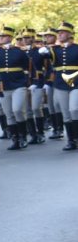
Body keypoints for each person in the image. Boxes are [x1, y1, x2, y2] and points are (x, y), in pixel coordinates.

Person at [0, 26, 33, 150]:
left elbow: (28, 67)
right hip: (4, 85)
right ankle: (15, 139)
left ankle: (23, 136)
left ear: (9, 37)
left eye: (3, 36)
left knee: (18, 110)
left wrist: (28, 82)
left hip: (19, 84)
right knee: (9, 113)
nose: (0, 38)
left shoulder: (19, 51)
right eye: (0, 37)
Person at [38, 21, 77, 150]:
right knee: (66, 113)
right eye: (59, 33)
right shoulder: (55, 49)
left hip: (76, 82)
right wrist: (43, 51)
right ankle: (71, 140)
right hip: (60, 83)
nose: (59, 34)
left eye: (62, 32)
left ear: (70, 34)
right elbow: (47, 55)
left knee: (74, 109)